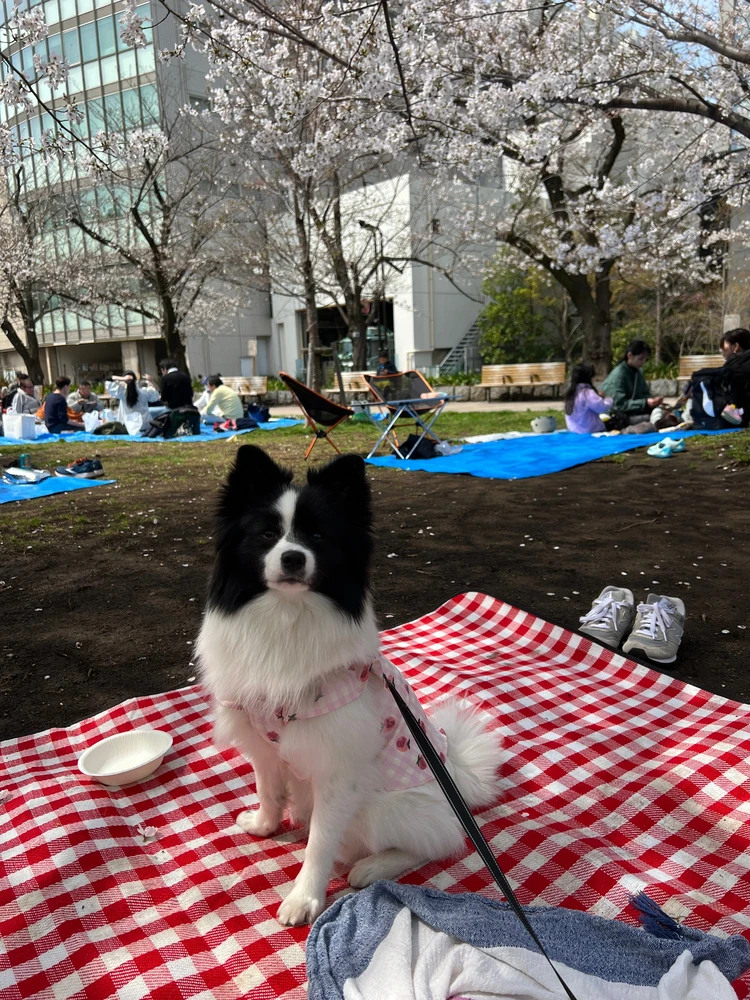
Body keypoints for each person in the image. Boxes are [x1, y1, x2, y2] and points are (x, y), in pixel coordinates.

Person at [599, 339, 663, 423]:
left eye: (645, 359)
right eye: (640, 359)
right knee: (649, 418)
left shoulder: (637, 372)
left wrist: (652, 401)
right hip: (614, 416)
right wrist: (644, 403)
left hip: (631, 412)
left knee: (659, 411)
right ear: (629, 355)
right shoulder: (618, 375)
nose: (643, 362)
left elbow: (644, 394)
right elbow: (619, 405)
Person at [564, 365, 613, 433]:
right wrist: (607, 398)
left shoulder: (571, 393)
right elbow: (602, 407)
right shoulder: (587, 393)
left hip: (574, 430)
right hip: (590, 429)